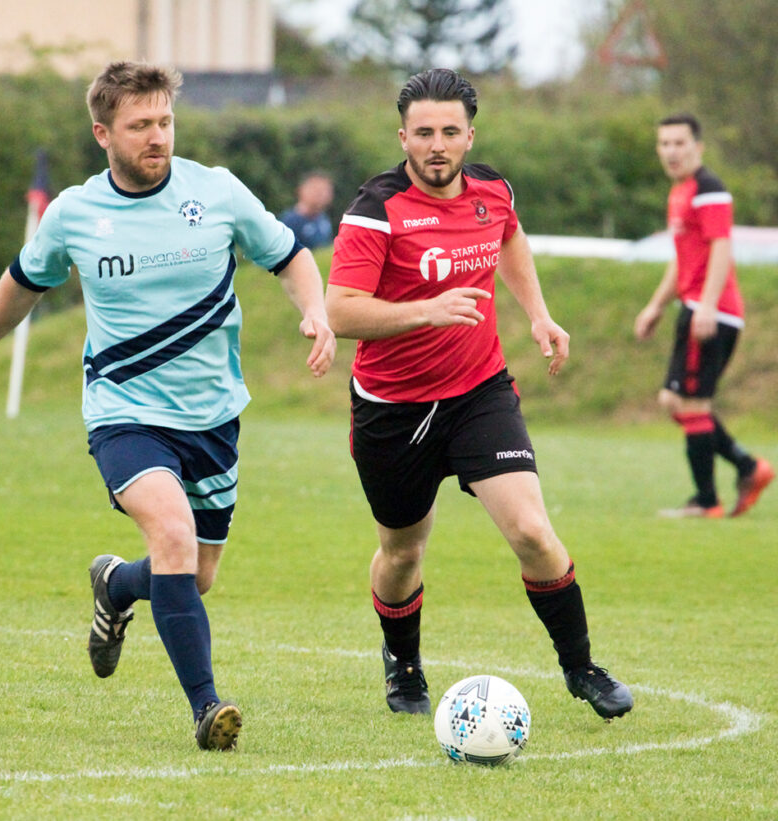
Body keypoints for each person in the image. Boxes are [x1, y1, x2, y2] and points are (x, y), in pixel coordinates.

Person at [0, 61, 335, 751]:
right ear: (103, 133)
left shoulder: (216, 191)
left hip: (213, 416)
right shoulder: (75, 214)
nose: (157, 136)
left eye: (164, 121)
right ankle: (208, 708)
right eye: (140, 125)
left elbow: (290, 255)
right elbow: (20, 284)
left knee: (196, 576)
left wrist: (318, 311)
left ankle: (117, 585)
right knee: (173, 537)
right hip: (124, 412)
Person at [325, 68, 633, 721]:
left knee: (530, 529)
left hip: (477, 394)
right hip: (391, 410)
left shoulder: (492, 190)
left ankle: (581, 667)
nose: (437, 145)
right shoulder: (374, 211)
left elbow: (510, 237)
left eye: (450, 131)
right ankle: (403, 666)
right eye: (424, 132)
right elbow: (342, 313)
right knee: (403, 551)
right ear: (402, 135)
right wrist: (427, 310)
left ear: (470, 135)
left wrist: (539, 314)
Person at [635, 113, 773, 518]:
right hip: (694, 306)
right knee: (675, 401)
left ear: (699, 147)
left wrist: (708, 305)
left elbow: (720, 247)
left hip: (711, 311)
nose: (671, 151)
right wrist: (656, 306)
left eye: (680, 143)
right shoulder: (681, 192)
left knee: (691, 404)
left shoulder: (710, 189)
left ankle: (707, 502)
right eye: (665, 144)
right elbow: (682, 260)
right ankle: (749, 467)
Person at [279, 171, 335, 250]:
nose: (321, 194)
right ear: (301, 190)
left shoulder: (324, 220)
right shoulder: (290, 221)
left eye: (325, 190)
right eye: (315, 189)